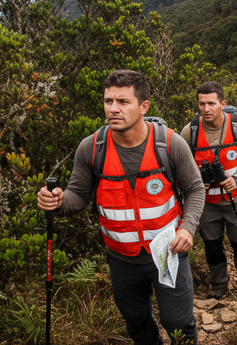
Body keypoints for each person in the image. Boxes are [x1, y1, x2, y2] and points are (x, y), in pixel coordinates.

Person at [37, 70, 204, 345]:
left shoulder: (170, 144)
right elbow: (78, 195)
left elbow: (196, 189)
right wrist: (58, 202)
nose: (113, 109)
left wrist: (187, 228)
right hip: (121, 260)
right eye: (108, 101)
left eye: (123, 102)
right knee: (137, 323)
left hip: (168, 253)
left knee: (178, 323)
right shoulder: (91, 148)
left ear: (144, 106)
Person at [181, 81, 237, 299]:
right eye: (201, 104)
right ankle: (218, 283)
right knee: (212, 247)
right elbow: (180, 167)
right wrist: (196, 180)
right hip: (207, 204)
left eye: (211, 103)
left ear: (222, 104)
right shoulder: (190, 132)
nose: (206, 109)